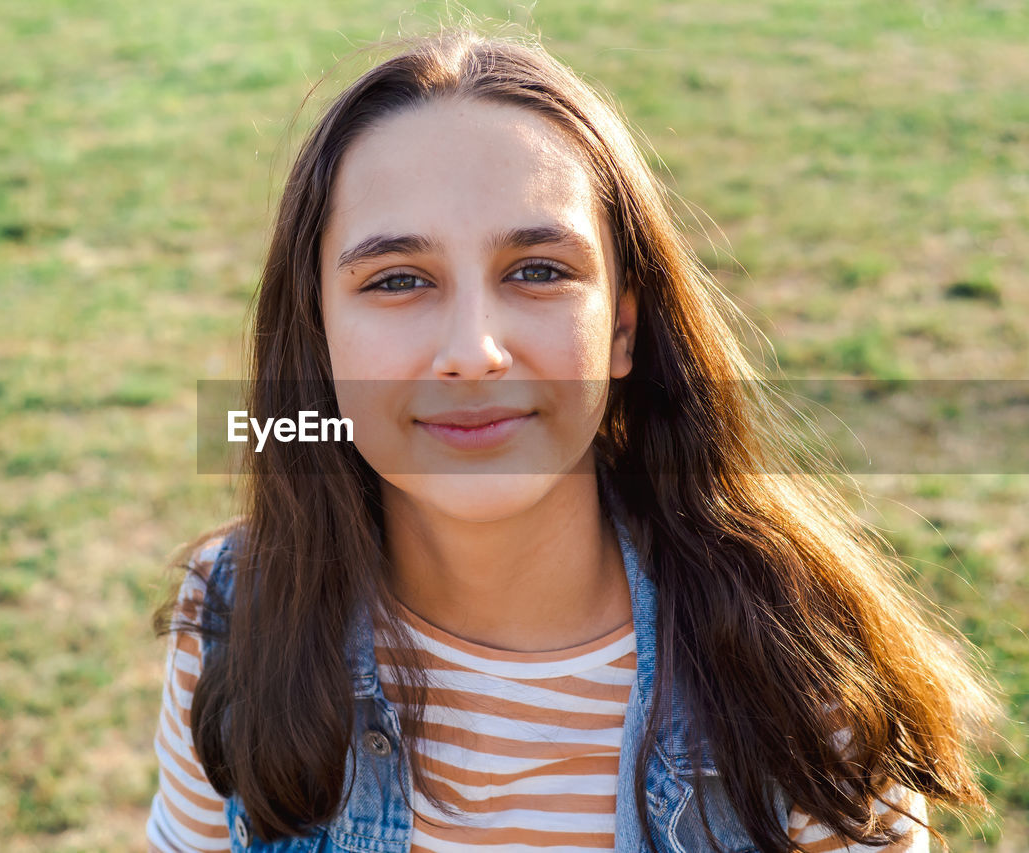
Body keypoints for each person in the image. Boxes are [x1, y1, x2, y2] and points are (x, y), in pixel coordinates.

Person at [146, 24, 999, 853]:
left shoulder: (806, 673)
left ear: (623, 327)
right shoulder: (233, 614)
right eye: (399, 279)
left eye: (539, 271)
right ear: (319, 337)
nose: (473, 353)